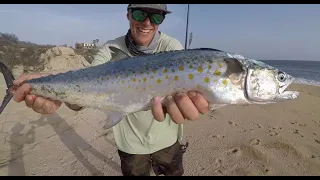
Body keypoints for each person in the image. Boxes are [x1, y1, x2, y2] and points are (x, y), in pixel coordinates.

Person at [12, 4, 210, 176]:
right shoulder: (110, 49)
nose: (147, 23)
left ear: (161, 21)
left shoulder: (172, 47)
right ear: (128, 15)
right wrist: (54, 90)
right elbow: (86, 81)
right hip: (130, 145)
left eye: (156, 16)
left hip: (167, 141)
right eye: (140, 14)